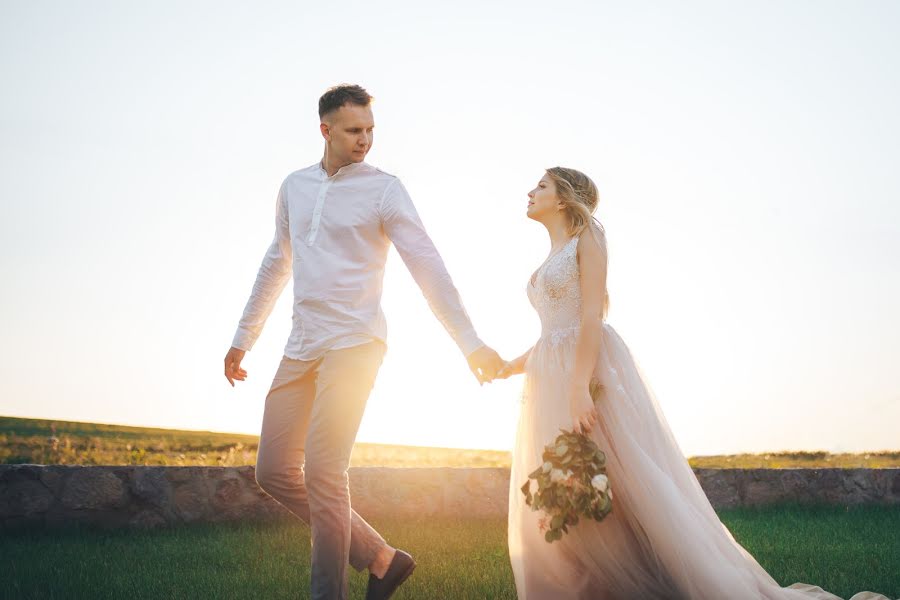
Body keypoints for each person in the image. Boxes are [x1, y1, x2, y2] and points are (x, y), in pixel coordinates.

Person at [497, 166, 890, 600]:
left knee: (613, 479)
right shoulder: (549, 256)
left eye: (541, 186)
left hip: (586, 376)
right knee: (562, 485)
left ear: (566, 197)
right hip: (548, 379)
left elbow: (591, 317)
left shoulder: (588, 237)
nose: (530, 192)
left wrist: (577, 388)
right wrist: (510, 365)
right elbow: (553, 333)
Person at [223, 84, 505, 600]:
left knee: (325, 475)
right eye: (354, 130)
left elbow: (428, 266)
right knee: (274, 470)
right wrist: (245, 336)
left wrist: (470, 342)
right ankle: (381, 559)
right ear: (325, 129)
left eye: (371, 129)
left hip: (356, 343)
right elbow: (277, 261)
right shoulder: (294, 186)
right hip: (301, 344)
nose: (365, 140)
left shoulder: (384, 189)